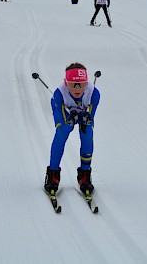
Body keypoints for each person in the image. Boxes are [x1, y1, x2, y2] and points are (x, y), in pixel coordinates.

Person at [44, 63, 101, 196]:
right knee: (63, 131)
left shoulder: (94, 94)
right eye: (72, 84)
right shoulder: (59, 94)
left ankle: (85, 174)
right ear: (66, 83)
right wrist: (69, 120)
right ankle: (53, 174)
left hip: (83, 113)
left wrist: (86, 118)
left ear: (86, 83)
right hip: (64, 111)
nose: (77, 89)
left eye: (81, 84)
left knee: (87, 134)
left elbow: (91, 116)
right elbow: (61, 116)